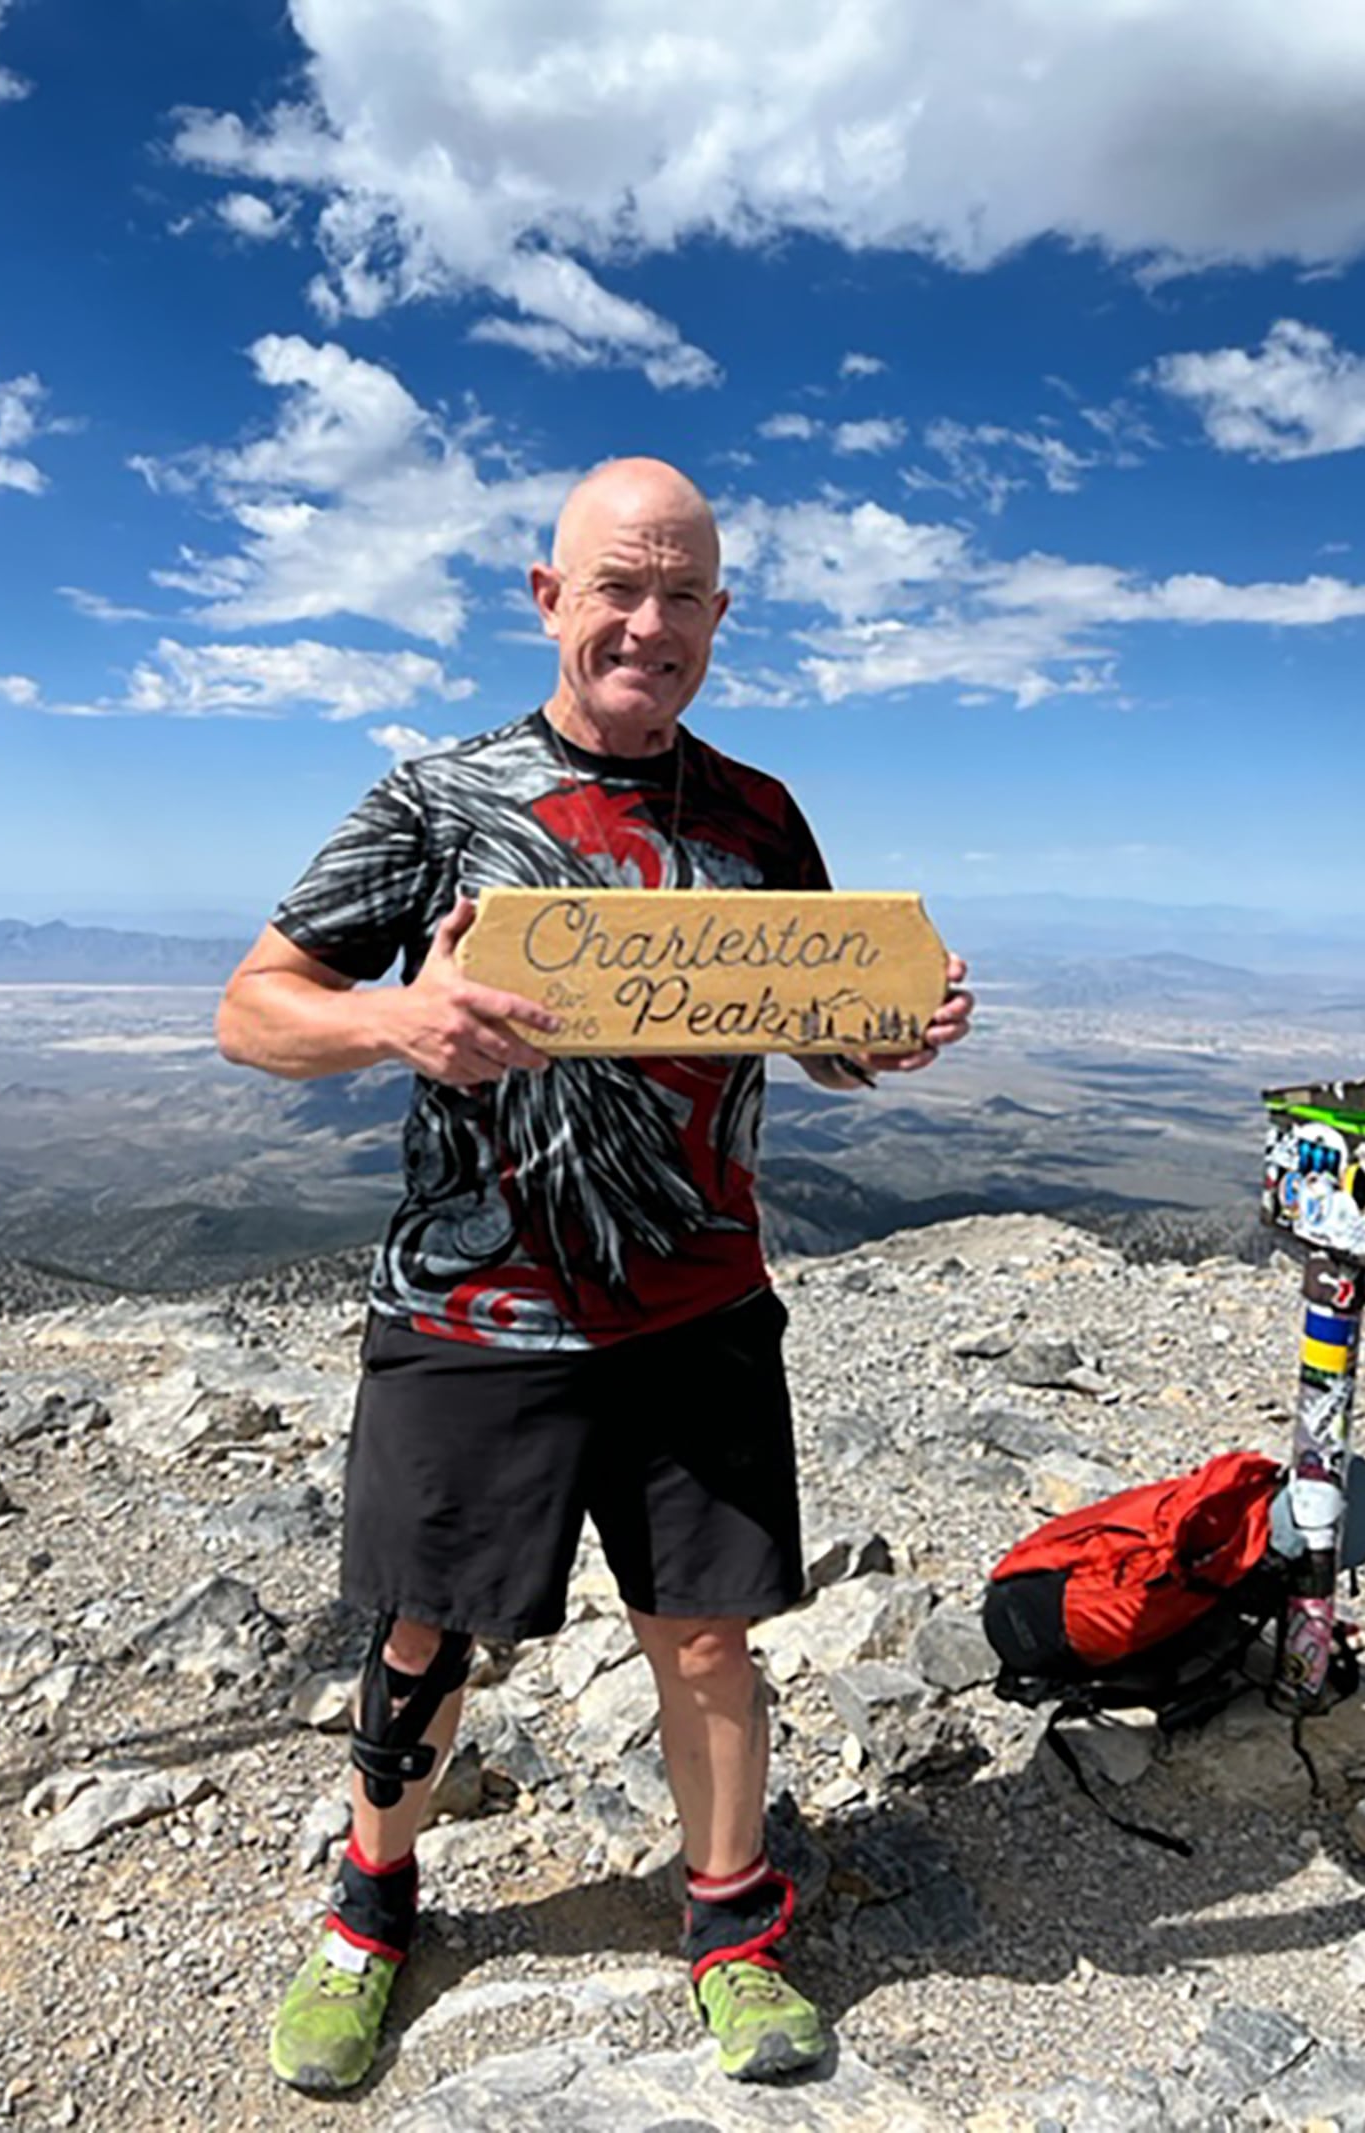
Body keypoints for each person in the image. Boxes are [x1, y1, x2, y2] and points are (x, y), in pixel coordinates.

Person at [216, 456, 974, 2094]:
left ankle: (733, 1922)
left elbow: (810, 1032)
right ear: (548, 598)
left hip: (697, 1301)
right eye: (615, 588)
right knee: (426, 1632)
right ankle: (369, 1914)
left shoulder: (761, 817)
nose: (648, 620)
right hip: (474, 1307)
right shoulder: (437, 799)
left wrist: (882, 1036)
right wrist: (392, 1020)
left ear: (719, 615)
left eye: (681, 591)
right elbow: (256, 1004)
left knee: (706, 1637)